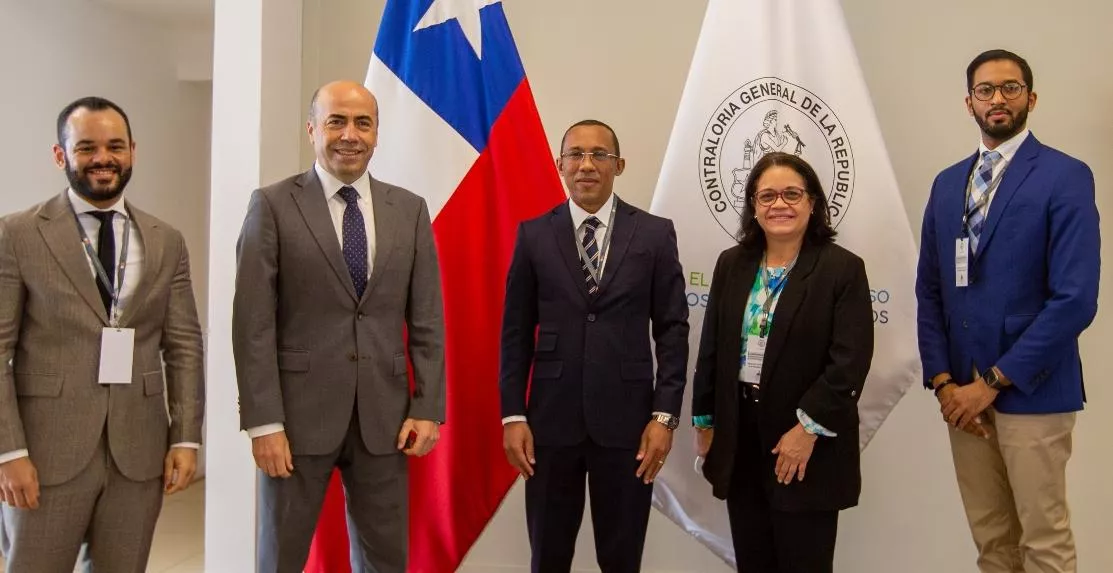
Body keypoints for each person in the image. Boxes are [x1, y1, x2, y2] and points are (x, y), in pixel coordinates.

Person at [232, 80, 446, 573]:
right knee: (280, 557)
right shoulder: (271, 205)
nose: (349, 134)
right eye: (336, 121)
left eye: (362, 123)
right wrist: (265, 423)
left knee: (385, 560)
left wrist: (428, 407)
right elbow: (253, 324)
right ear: (312, 130)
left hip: (386, 421)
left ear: (376, 135)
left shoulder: (409, 209)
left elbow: (428, 319)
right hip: (295, 422)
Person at [0, 96, 205, 572]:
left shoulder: (165, 239)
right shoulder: (19, 234)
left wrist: (186, 438)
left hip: (138, 452)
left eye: (115, 146)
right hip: (45, 453)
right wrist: (9, 451)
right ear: (61, 155)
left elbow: (184, 346)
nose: (103, 158)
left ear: (132, 150)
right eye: (86, 147)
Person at [916, 49, 1099, 573]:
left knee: (1043, 543)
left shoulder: (1065, 176)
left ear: (1031, 98)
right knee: (993, 543)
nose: (998, 99)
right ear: (968, 102)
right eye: (986, 90)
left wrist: (993, 381)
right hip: (962, 398)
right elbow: (929, 289)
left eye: (1011, 88)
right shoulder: (948, 184)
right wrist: (945, 380)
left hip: (1031, 391)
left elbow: (1075, 299)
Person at [499, 119, 689, 573]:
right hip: (549, 425)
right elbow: (515, 333)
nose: (587, 165)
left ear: (618, 165)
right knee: (548, 556)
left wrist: (664, 416)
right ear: (560, 165)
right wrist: (513, 414)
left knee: (621, 559)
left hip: (629, 428)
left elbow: (673, 330)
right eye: (576, 155)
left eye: (599, 155)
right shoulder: (533, 235)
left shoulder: (654, 234)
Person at [691, 151, 873, 573]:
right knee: (753, 561)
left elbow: (849, 361)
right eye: (767, 195)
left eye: (792, 193)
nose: (779, 204)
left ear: (812, 202)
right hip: (741, 436)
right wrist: (705, 421)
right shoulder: (731, 264)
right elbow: (712, 350)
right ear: (753, 206)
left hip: (806, 442)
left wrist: (806, 430)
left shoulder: (842, 269)